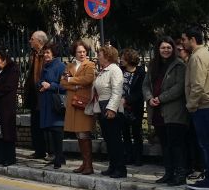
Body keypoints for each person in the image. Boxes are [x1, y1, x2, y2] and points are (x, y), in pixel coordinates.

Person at [144, 37, 190, 186]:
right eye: (163, 48)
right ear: (158, 49)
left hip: (174, 112)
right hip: (157, 111)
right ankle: (169, 173)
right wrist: (150, 98)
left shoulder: (179, 66)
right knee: (164, 144)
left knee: (176, 144)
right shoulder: (153, 66)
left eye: (168, 47)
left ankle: (180, 173)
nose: (166, 50)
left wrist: (161, 98)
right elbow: (145, 85)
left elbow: (179, 87)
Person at [181, 27, 209, 190]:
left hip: (203, 105)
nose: (182, 43)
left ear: (192, 39)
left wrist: (191, 105)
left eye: (184, 39)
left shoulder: (197, 57)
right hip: (207, 104)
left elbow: (197, 85)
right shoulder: (205, 54)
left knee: (207, 143)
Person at [60, 40, 96, 175]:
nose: (82, 54)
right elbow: (62, 82)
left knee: (84, 133)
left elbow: (88, 79)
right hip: (72, 102)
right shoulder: (69, 65)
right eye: (79, 52)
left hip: (83, 103)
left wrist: (70, 80)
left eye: (84, 51)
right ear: (74, 53)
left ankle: (89, 165)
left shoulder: (90, 65)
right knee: (78, 134)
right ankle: (84, 163)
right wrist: (74, 85)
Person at [94, 46, 126, 178]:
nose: (98, 57)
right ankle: (112, 166)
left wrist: (112, 108)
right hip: (102, 106)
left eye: (100, 55)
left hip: (110, 107)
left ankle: (120, 168)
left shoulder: (115, 70)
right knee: (109, 139)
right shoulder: (103, 71)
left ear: (107, 56)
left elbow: (117, 90)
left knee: (115, 140)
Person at [0, 47, 19, 166]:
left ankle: (10, 157)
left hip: (7, 106)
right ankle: (0, 156)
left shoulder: (12, 69)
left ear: (4, 60)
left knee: (8, 132)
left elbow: (8, 86)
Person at [37, 43, 66, 169]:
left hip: (55, 103)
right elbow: (40, 81)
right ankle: (57, 156)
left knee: (57, 130)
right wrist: (41, 83)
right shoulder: (45, 66)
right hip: (46, 102)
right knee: (51, 131)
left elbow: (64, 85)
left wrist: (50, 86)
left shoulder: (61, 66)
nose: (45, 55)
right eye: (45, 52)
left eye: (48, 52)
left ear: (54, 53)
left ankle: (59, 157)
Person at [24, 31, 49, 160]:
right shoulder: (33, 54)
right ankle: (38, 150)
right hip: (34, 93)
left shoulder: (46, 54)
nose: (30, 41)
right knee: (35, 123)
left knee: (43, 123)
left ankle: (47, 150)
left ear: (39, 41)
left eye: (32, 39)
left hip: (43, 92)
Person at [119, 49, 146, 166]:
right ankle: (128, 155)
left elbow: (141, 91)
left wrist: (128, 99)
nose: (121, 60)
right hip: (121, 106)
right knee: (125, 132)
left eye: (123, 58)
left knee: (136, 132)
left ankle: (138, 157)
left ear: (129, 60)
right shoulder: (120, 71)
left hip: (135, 107)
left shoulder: (140, 73)